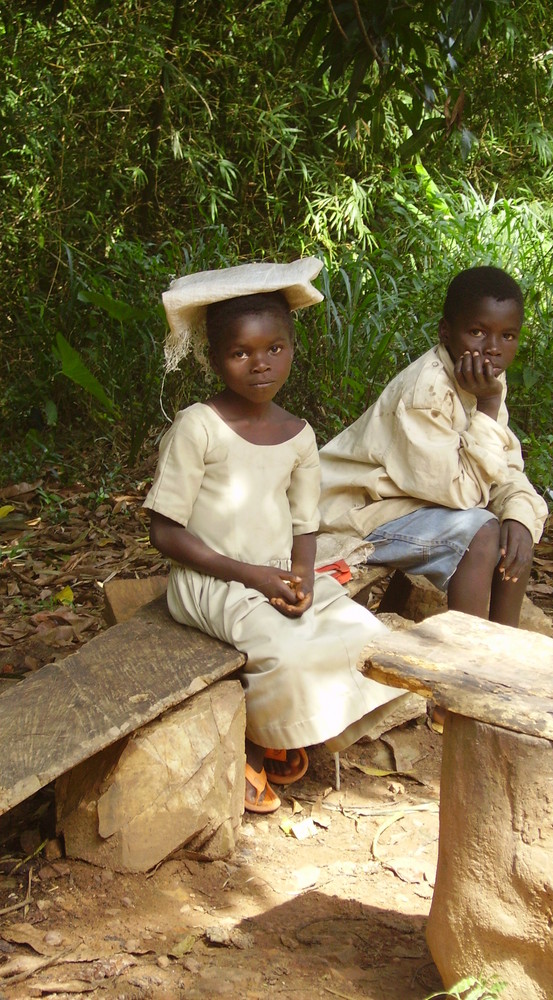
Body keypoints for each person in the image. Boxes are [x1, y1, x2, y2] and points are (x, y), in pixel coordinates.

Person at [143, 259, 404, 814]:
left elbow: (305, 523)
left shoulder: (298, 435)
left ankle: (295, 729)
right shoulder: (198, 427)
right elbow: (164, 533)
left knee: (360, 631)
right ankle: (258, 743)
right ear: (214, 360)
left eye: (275, 348)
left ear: (292, 348)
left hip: (274, 573)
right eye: (240, 353)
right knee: (281, 651)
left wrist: (303, 579)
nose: (260, 364)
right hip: (211, 577)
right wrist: (255, 577)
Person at [317, 264, 548, 638]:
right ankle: (466, 661)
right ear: (446, 332)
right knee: (481, 532)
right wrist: (488, 407)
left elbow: (504, 466)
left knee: (513, 531)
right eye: (477, 332)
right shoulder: (427, 392)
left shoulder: (485, 379)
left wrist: (520, 515)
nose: (492, 348)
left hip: (412, 503)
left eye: (508, 336)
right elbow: (463, 494)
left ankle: (508, 651)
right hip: (356, 515)